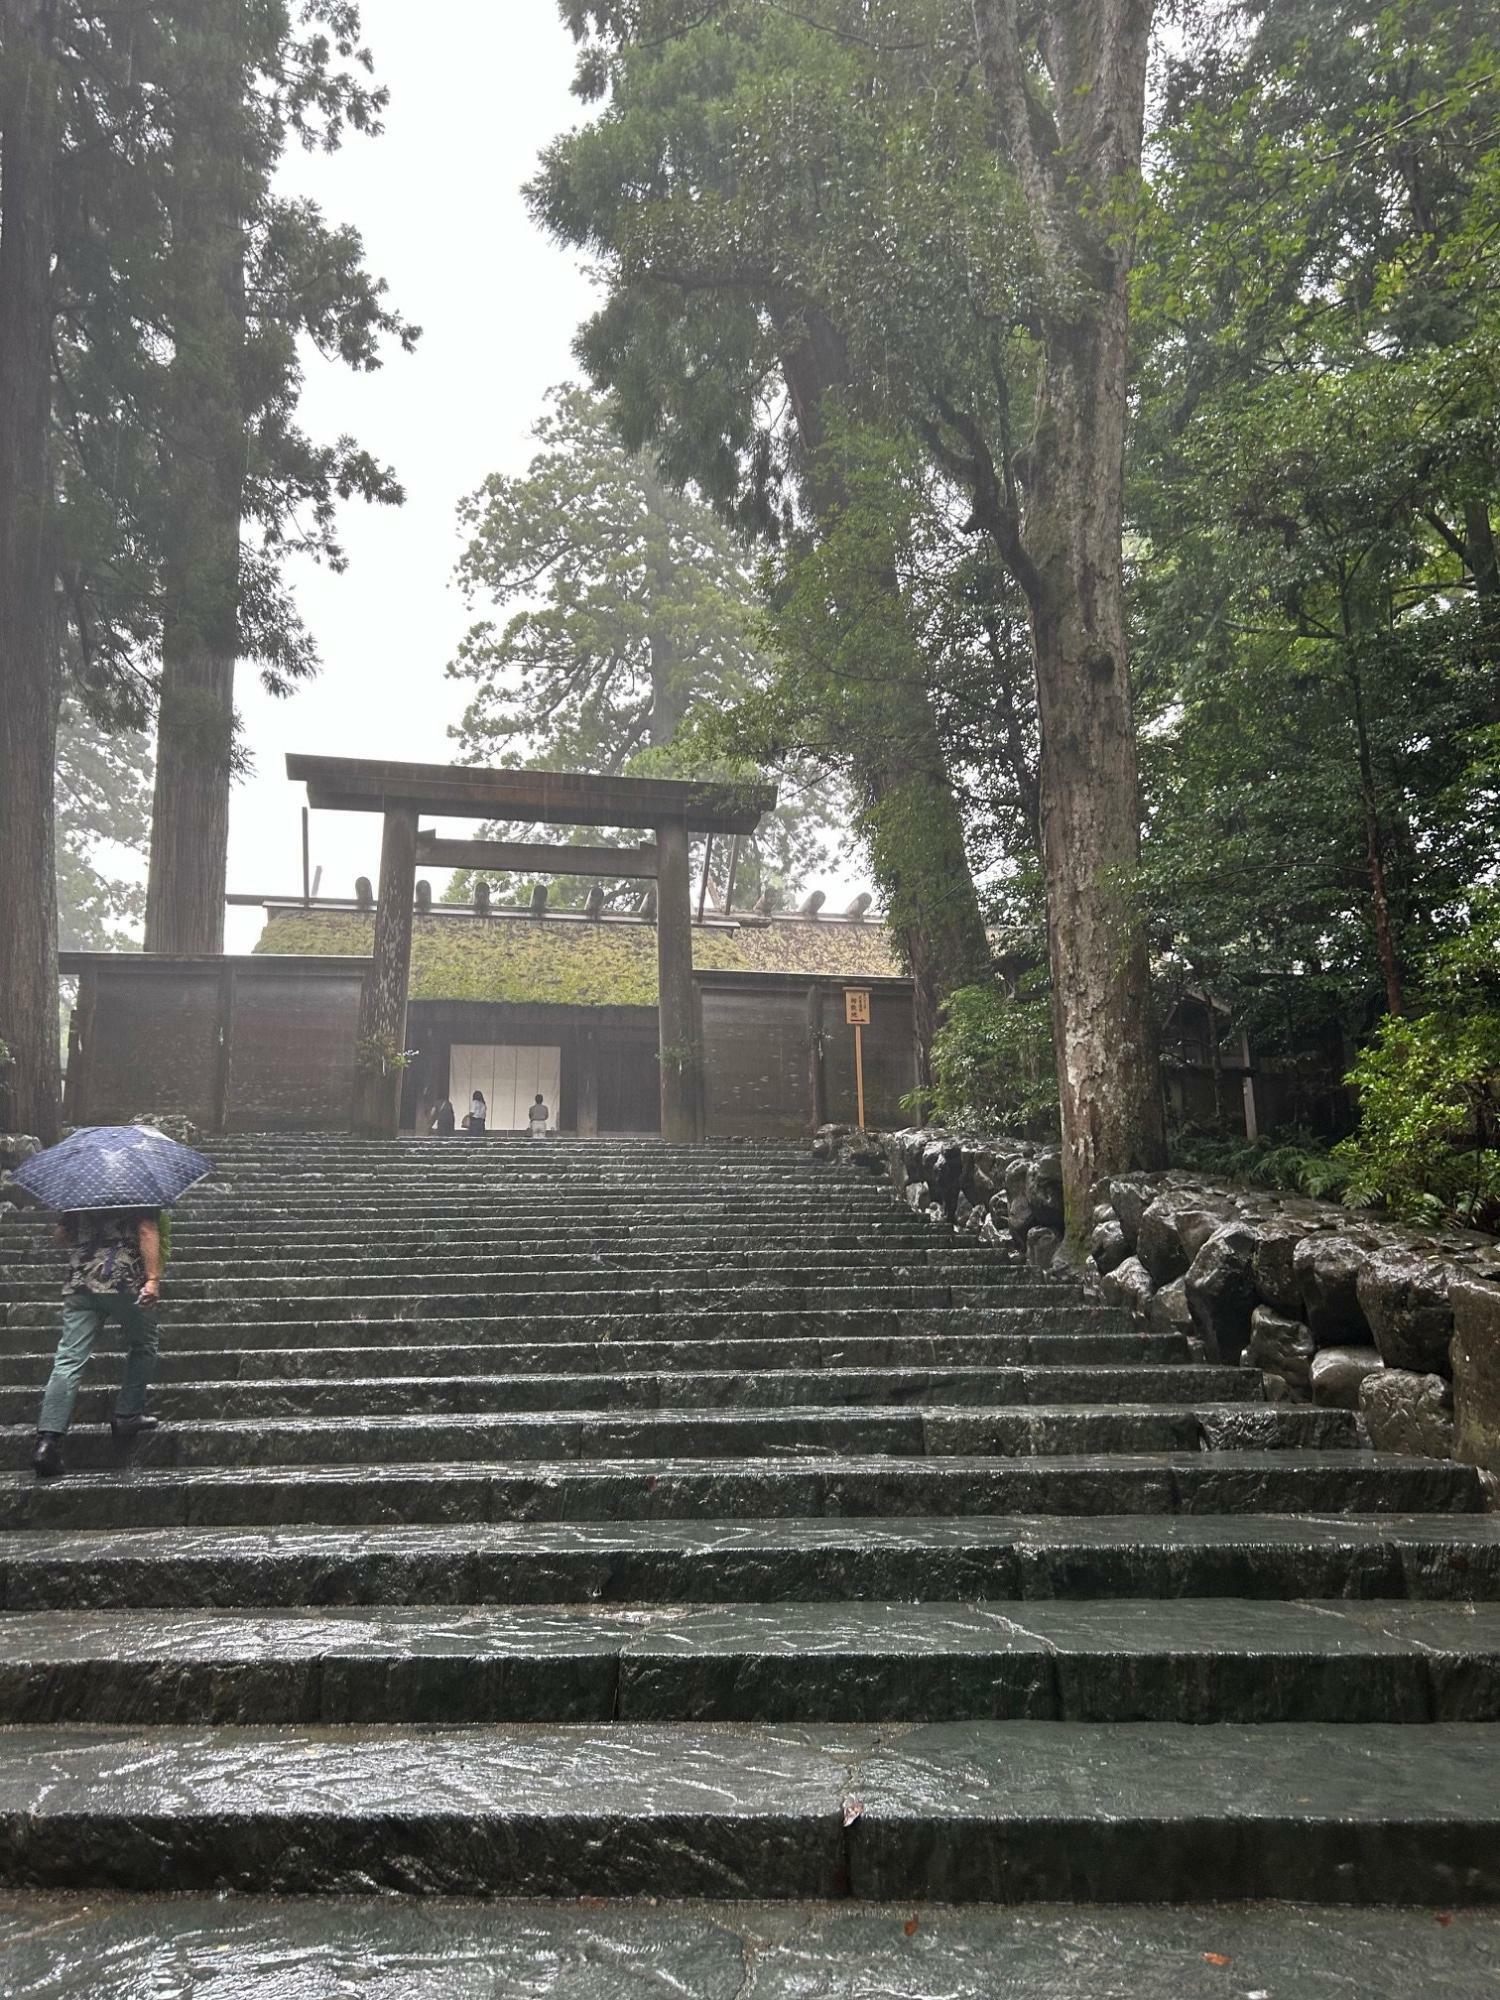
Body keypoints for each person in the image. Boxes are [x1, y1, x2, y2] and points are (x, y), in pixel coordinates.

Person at [33, 1207, 164, 1479]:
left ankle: (48, 1441)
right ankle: (128, 1413)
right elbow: (146, 1230)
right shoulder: (136, 1188)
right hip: (123, 1280)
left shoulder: (80, 1192)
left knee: (68, 1358)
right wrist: (152, 1279)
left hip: (80, 1282)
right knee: (144, 1342)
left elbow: (60, 1236)